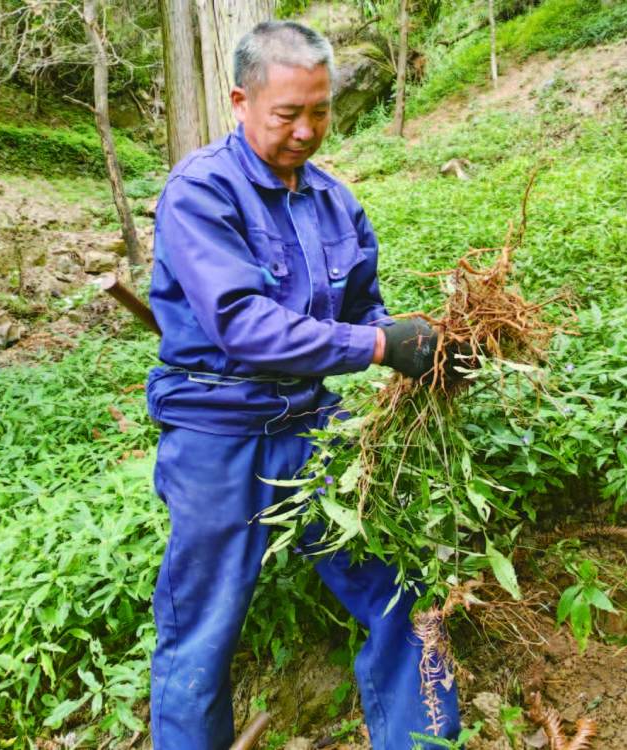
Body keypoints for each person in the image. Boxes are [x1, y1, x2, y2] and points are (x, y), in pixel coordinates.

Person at [146, 20, 461, 749]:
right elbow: (244, 325)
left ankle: (425, 742)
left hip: (312, 431)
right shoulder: (202, 191)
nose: (307, 130)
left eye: (319, 110)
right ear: (240, 100)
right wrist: (379, 344)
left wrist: (425, 348)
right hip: (217, 440)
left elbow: (363, 312)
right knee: (202, 629)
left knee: (402, 594)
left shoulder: (333, 203)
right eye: (288, 113)